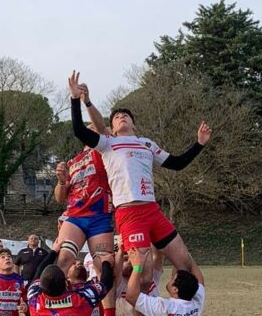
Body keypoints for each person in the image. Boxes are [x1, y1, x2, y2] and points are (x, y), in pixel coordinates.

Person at [68, 72, 207, 290]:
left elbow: (177, 163)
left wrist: (199, 144)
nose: (121, 117)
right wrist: (76, 99)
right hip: (129, 214)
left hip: (153, 211)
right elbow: (79, 130)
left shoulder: (147, 144)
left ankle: (183, 309)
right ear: (112, 129)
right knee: (144, 275)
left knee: (185, 264)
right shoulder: (108, 144)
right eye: (116, 117)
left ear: (135, 125)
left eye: (126, 115)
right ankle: (134, 312)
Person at [53, 101, 120, 316]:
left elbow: (102, 129)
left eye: (95, 127)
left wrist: (86, 103)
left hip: (99, 216)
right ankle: (54, 308)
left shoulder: (105, 151)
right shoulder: (73, 161)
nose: (93, 129)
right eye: (88, 128)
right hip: (75, 215)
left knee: (105, 266)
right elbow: (60, 197)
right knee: (63, 260)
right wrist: (62, 181)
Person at [15, 234, 49, 316]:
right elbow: (16, 264)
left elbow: (48, 264)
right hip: (26, 280)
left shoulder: (44, 252)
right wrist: (17, 276)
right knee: (26, 299)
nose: (33, 240)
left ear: (38, 241)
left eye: (35, 238)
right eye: (31, 238)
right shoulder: (22, 252)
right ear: (28, 240)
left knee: (41, 299)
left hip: (40, 280)